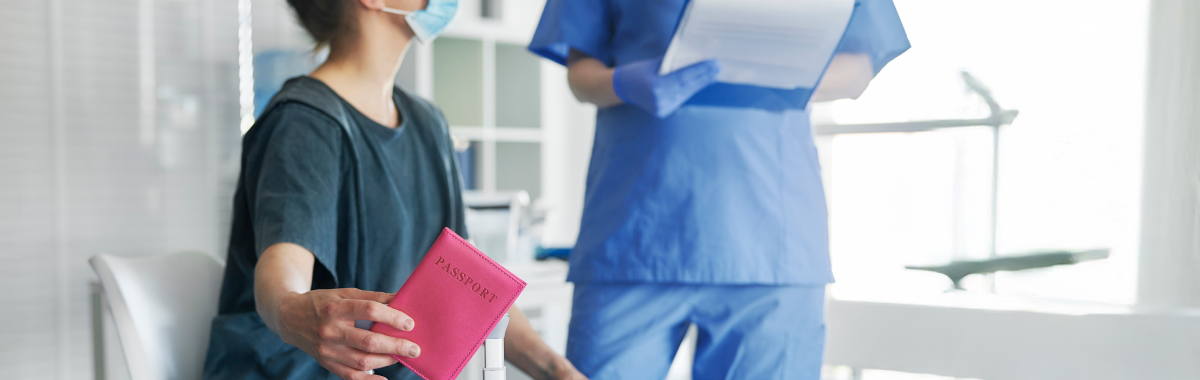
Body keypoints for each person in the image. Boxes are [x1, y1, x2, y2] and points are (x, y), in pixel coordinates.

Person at [202, 0, 586, 379]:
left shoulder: (428, 124)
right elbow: (283, 268)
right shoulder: (304, 121)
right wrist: (290, 310)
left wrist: (560, 372)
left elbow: (473, 287)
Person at [527, 0, 910, 378]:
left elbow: (859, 66)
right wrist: (623, 82)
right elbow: (581, 71)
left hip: (772, 240)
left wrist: (777, 71)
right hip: (634, 234)